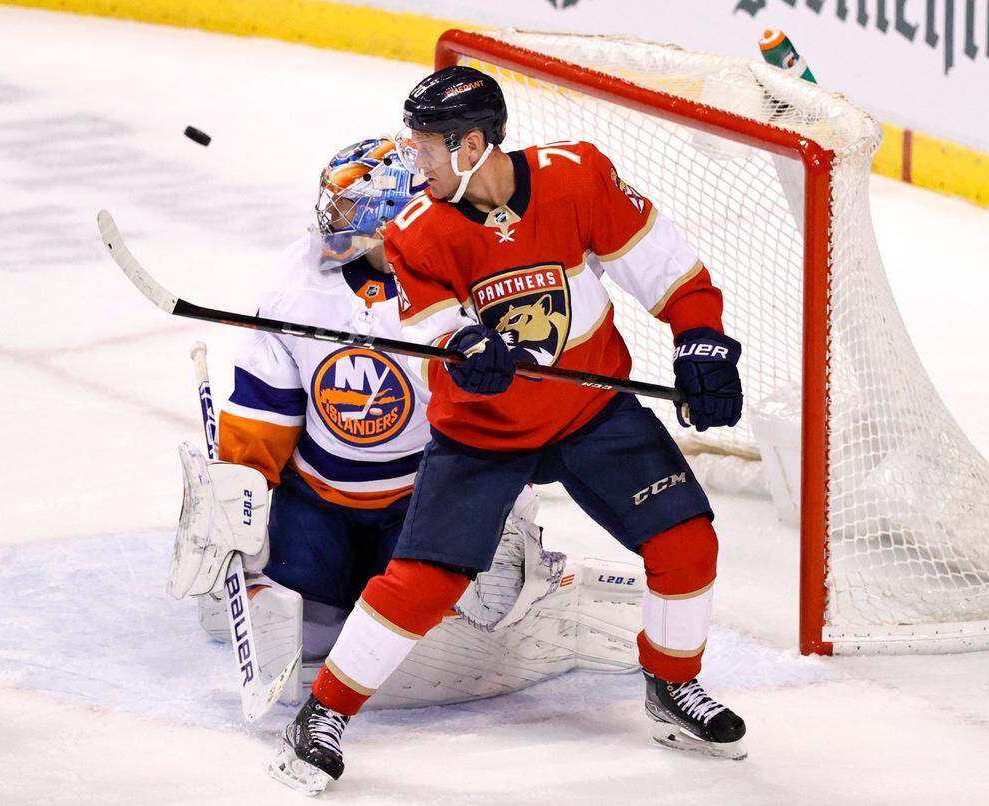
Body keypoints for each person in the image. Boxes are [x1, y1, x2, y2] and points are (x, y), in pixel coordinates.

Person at [269, 68, 746, 795]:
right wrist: (468, 354)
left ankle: (673, 686)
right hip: (483, 432)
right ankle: (322, 712)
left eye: (426, 146)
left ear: (471, 146)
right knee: (426, 581)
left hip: (590, 408)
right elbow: (434, 335)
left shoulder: (579, 176)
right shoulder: (416, 232)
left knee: (687, 541)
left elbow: (669, 272)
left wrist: (701, 340)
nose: (414, 161)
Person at [168, 138, 643, 714]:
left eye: (350, 207)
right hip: (321, 497)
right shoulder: (299, 279)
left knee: (428, 650)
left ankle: (552, 599)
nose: (331, 219)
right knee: (310, 638)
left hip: (428, 501)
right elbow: (269, 398)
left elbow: (506, 419)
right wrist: (238, 490)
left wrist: (501, 495)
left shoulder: (470, 281)